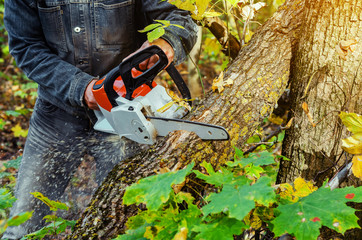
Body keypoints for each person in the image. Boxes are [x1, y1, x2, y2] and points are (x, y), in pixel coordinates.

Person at [3, 0, 197, 239]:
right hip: (57, 113)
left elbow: (180, 17)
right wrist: (82, 88)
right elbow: (26, 47)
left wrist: (165, 43)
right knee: (23, 225)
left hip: (126, 112)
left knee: (135, 218)